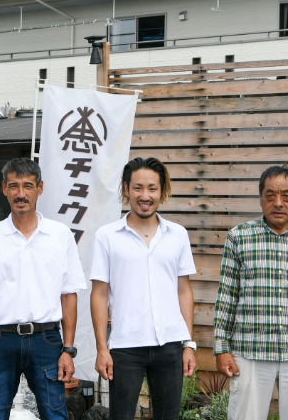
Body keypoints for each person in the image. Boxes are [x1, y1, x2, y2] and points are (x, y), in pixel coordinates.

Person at [213, 165, 288, 420]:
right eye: (270, 196)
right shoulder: (239, 237)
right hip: (249, 352)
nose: (278, 203)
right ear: (260, 198)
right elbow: (226, 297)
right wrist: (221, 348)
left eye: (286, 196)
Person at [0, 157, 87, 420]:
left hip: (46, 340)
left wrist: (68, 350)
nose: (21, 194)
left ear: (40, 187)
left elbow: (69, 296)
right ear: (4, 188)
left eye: (28, 186)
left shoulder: (60, 235)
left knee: (55, 415)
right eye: (14, 186)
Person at [90, 157, 197, 420]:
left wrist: (189, 344)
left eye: (152, 188)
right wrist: (102, 349)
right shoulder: (107, 236)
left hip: (170, 344)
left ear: (162, 191)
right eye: (138, 188)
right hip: (125, 346)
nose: (145, 195)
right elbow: (99, 294)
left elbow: (184, 291)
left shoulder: (178, 234)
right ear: (126, 189)